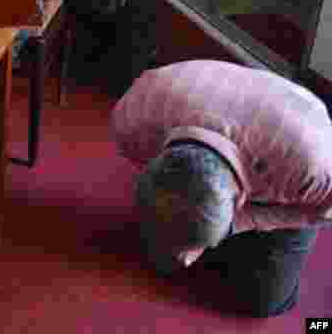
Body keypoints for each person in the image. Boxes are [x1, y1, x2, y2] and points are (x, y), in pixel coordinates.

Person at [112, 60, 332, 317]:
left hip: (292, 171)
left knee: (263, 301)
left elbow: (319, 214)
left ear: (239, 201)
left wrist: (238, 225)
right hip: (226, 121)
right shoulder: (131, 119)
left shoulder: (316, 172)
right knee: (163, 257)